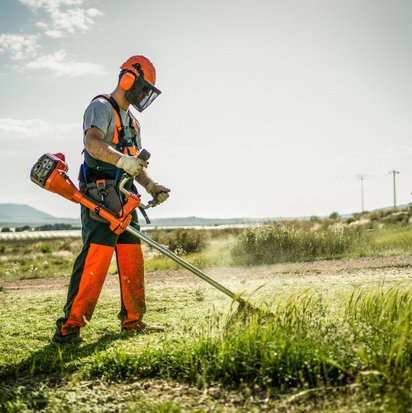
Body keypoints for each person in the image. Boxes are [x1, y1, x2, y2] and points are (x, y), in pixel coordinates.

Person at [53, 55, 170, 344]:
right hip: (100, 197)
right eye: (144, 88)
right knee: (95, 262)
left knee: (132, 260)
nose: (144, 95)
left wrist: (152, 186)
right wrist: (122, 161)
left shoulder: (133, 122)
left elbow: (136, 166)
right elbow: (92, 142)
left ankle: (133, 322)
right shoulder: (101, 107)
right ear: (129, 79)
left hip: (126, 198)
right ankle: (69, 328)